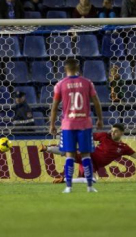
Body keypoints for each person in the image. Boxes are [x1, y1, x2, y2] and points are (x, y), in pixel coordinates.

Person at [40, 123, 136, 183]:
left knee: (92, 181)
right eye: (112, 130)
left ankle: (65, 180)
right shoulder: (104, 136)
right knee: (72, 152)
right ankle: (47, 148)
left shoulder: (124, 147)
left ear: (121, 133)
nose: (112, 133)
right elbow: (88, 135)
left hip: (95, 165)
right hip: (89, 156)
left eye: (115, 131)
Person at [50, 58, 103, 193]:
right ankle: (90, 186)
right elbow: (96, 102)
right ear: (78, 68)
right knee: (86, 155)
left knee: (70, 155)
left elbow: (55, 107)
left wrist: (52, 124)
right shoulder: (87, 83)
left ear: (65, 69)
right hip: (85, 124)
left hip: (68, 125)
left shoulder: (60, 85)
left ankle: (68, 187)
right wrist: (100, 119)